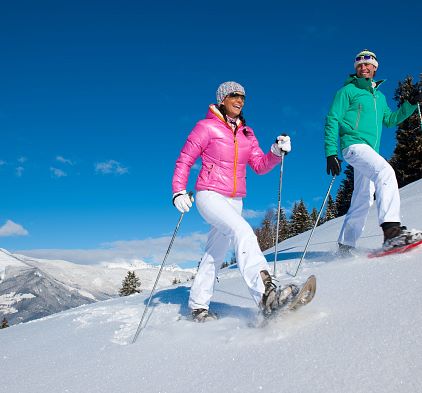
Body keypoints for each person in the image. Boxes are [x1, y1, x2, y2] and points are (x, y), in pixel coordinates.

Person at [172, 81, 296, 322]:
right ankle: (266, 295)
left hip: (235, 200)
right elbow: (184, 159)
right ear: (222, 99)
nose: (239, 100)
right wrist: (178, 191)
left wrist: (275, 152)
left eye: (242, 97)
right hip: (209, 194)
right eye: (234, 96)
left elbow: (260, 166)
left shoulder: (247, 134)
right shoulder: (206, 127)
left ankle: (198, 306)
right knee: (243, 231)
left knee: (215, 253)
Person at [324, 49, 422, 255]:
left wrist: (411, 104)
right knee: (385, 172)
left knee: (363, 197)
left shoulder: (380, 97)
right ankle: (392, 232)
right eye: (359, 64)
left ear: (375, 67)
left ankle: (346, 246)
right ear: (356, 68)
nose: (363, 67)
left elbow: (390, 119)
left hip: (370, 151)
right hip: (353, 145)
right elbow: (332, 119)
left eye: (368, 64)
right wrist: (331, 152)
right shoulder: (347, 91)